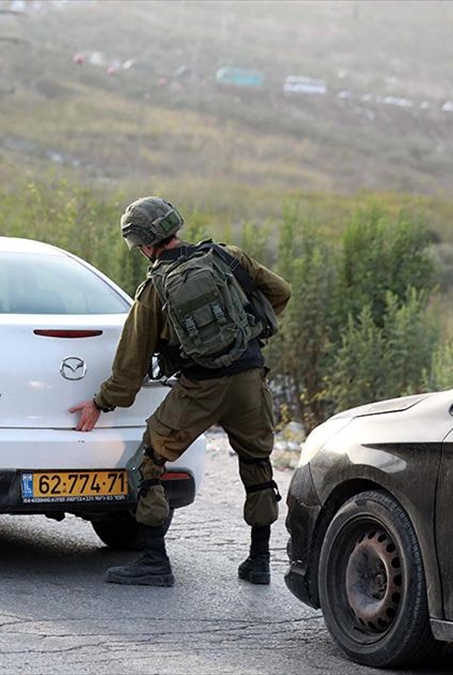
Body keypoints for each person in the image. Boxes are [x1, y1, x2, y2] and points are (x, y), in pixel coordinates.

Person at [70, 196, 291, 587]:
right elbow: (280, 292)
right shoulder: (227, 257)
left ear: (144, 244)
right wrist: (247, 330)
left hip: (200, 388)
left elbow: (130, 365)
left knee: (149, 463)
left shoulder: (154, 288)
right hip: (249, 379)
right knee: (257, 465)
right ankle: (259, 561)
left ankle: (155, 560)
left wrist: (102, 403)